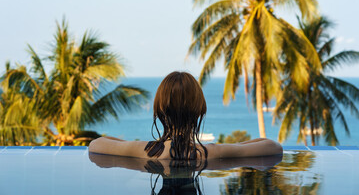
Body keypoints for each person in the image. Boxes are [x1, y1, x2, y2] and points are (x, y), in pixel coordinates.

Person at [89, 71, 283, 160]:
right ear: (200, 111)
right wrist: (234, 146)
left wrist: (128, 144)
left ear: (159, 111)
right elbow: (273, 147)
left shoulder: (144, 151)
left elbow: (96, 144)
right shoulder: (210, 153)